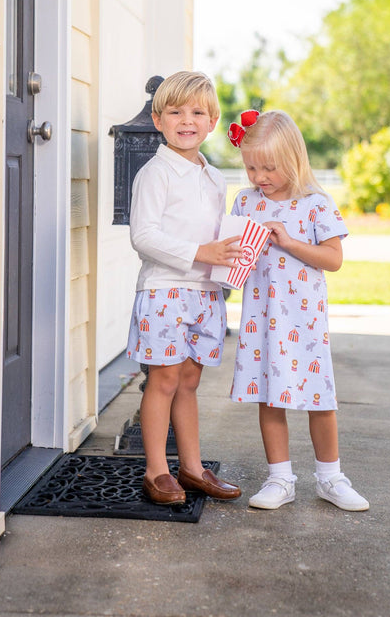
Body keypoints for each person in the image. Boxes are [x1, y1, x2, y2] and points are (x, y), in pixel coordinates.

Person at [227, 109, 369, 512]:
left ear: (293, 160)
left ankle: (330, 477)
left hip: (303, 322)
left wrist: (288, 242)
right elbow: (235, 257)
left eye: (269, 168)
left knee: (319, 399)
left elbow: (333, 258)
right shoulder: (244, 202)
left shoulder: (314, 204)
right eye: (251, 167)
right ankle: (280, 478)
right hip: (260, 319)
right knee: (270, 398)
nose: (259, 177)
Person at [127, 71, 243, 506]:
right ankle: (156, 470)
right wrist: (201, 252)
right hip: (165, 291)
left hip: (205, 293)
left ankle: (192, 469)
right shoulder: (156, 173)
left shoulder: (214, 178)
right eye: (175, 112)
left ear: (212, 121)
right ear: (158, 120)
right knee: (164, 379)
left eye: (197, 112)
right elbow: (144, 236)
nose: (186, 120)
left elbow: (219, 239)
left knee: (190, 380)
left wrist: (231, 259)